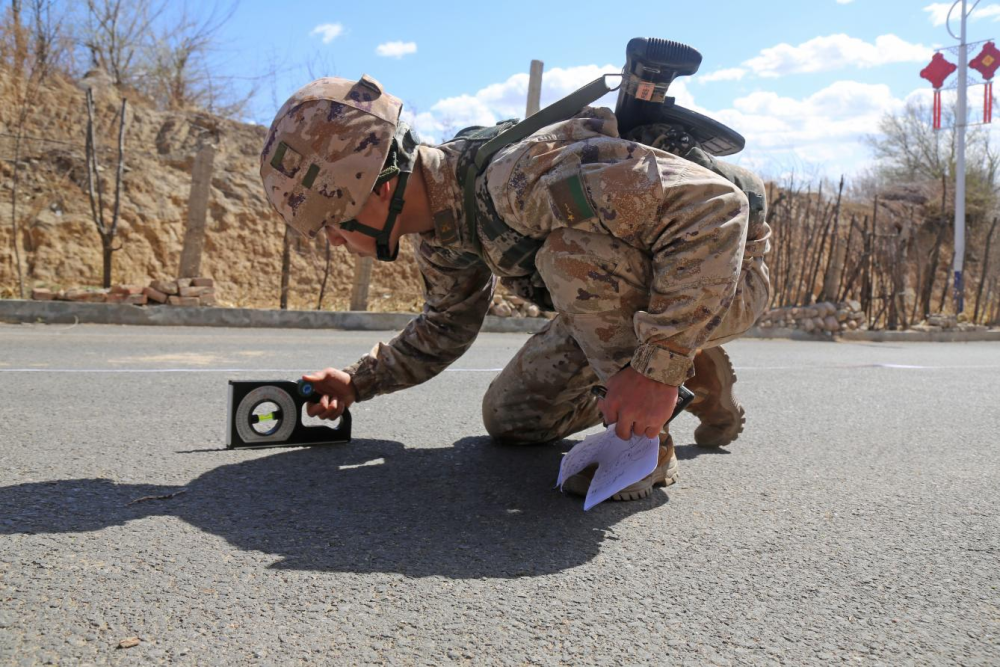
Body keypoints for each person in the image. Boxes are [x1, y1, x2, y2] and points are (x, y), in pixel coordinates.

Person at [259, 74, 771, 501]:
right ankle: (692, 374)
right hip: (645, 297)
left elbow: (716, 209)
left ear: (381, 188)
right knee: (511, 419)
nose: (336, 240)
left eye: (335, 222)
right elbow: (445, 326)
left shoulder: (516, 182)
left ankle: (643, 445)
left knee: (567, 256)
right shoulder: (440, 231)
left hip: (722, 273)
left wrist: (659, 361)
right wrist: (357, 382)